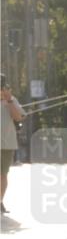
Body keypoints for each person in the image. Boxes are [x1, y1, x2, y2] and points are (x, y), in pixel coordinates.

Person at [0, 75, 25, 214]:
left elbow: (18, 117)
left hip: (6, 144)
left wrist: (9, 100)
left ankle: (0, 201)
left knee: (2, 174)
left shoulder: (11, 99)